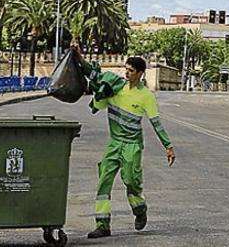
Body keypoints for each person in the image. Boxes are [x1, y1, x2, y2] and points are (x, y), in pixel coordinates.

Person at [75, 48, 177, 239]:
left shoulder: (146, 96)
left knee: (131, 182)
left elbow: (156, 123)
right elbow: (94, 73)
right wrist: (79, 57)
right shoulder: (115, 87)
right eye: (126, 69)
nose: (126, 72)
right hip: (114, 144)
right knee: (103, 182)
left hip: (132, 145)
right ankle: (102, 225)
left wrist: (168, 146)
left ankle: (140, 209)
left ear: (140, 73)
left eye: (130, 70)